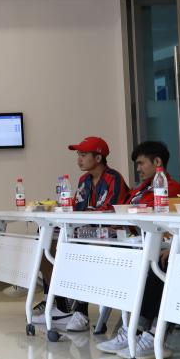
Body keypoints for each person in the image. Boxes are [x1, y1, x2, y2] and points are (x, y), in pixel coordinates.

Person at [33, 136, 131, 332]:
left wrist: (81, 218)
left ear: (98, 158)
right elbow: (77, 209)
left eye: (83, 155)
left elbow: (109, 214)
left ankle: (81, 312)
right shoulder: (84, 180)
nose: (79, 159)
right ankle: (62, 307)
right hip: (85, 231)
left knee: (79, 248)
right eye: (78, 154)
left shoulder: (114, 179)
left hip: (112, 236)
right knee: (44, 241)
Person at [97, 140, 180, 359]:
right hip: (138, 245)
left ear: (157, 162)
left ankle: (151, 334)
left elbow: (156, 218)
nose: (138, 169)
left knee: (157, 266)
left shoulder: (170, 188)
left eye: (142, 163)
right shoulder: (140, 189)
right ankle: (133, 330)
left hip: (161, 246)